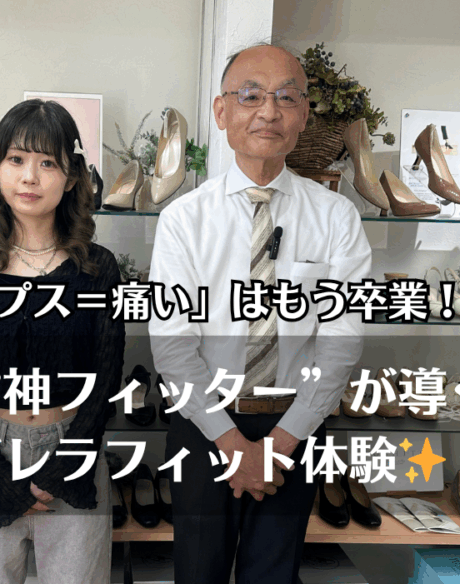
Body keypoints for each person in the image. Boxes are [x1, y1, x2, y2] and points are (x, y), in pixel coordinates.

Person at [149, 44, 372, 583]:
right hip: (203, 423)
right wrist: (231, 443)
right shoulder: (183, 218)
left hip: (296, 423)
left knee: (273, 575)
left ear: (304, 115)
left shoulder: (337, 217)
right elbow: (172, 344)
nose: (268, 111)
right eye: (250, 95)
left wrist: (283, 442)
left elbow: (341, 342)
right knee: (197, 572)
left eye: (286, 97)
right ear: (221, 111)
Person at [0, 99, 125, 584]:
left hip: (75, 444)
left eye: (48, 163)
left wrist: (68, 462)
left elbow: (107, 376)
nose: (30, 177)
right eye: (16, 159)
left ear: (71, 176)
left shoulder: (98, 267)